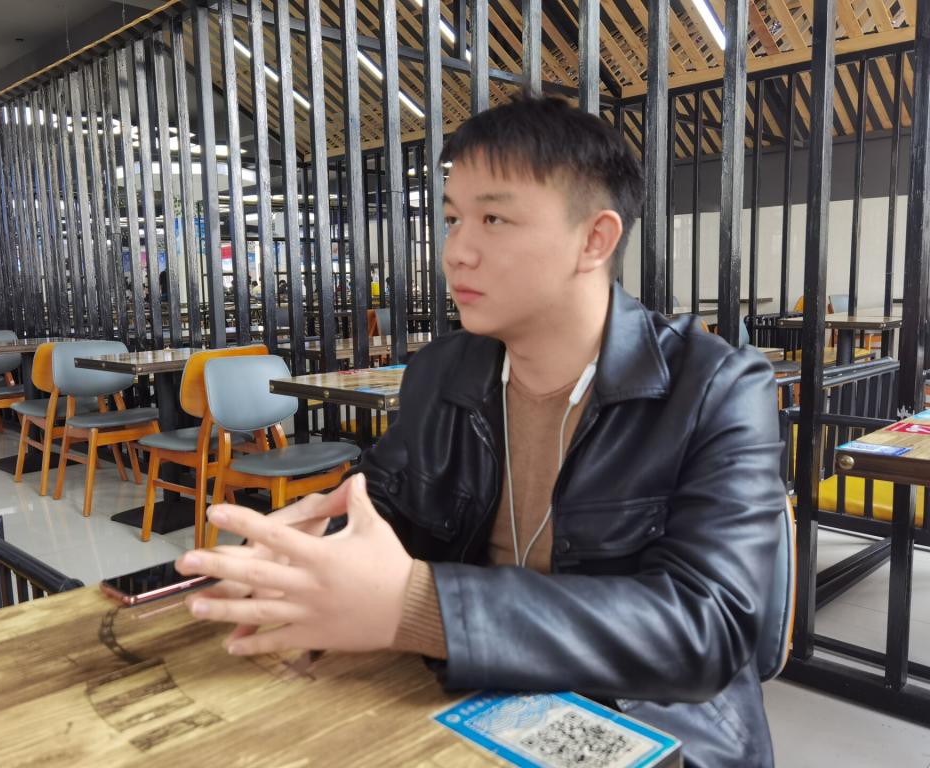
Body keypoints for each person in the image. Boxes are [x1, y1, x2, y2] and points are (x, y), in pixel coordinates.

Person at [175, 95, 783, 767]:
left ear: (595, 240)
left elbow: (708, 630)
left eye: (493, 219)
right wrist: (308, 558)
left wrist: (421, 606)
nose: (456, 252)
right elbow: (383, 506)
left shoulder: (716, 387)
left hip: (649, 727)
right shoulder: (442, 372)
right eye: (452, 219)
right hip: (467, 698)